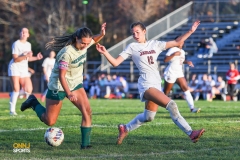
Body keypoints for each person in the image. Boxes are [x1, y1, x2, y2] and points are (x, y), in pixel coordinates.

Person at [96, 20, 205, 145]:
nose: (135, 35)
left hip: (156, 83)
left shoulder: (155, 44)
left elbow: (177, 42)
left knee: (149, 117)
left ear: (144, 31)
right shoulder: (132, 47)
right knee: (172, 105)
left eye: (137, 32)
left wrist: (190, 31)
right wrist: (105, 52)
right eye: (133, 33)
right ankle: (191, 133)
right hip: (146, 84)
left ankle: (125, 128)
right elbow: (115, 63)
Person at [20, 23, 106, 149]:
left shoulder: (85, 44)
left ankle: (85, 145)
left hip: (75, 83)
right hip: (58, 86)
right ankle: (33, 102)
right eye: (83, 43)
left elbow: (93, 40)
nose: (85, 46)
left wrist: (102, 35)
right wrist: (69, 93)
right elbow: (62, 76)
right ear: (77, 39)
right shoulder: (66, 53)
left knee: (87, 111)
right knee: (50, 121)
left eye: (87, 44)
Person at [8, 27, 43, 116]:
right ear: (20, 34)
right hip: (14, 67)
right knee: (16, 88)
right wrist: (25, 55)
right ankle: (12, 110)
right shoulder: (16, 44)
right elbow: (15, 59)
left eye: (25, 32)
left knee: (29, 89)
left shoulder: (28, 44)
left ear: (28, 35)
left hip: (23, 69)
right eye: (22, 32)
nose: (24, 33)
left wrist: (36, 58)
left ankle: (23, 102)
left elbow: (28, 58)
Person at [163, 40, 201, 113]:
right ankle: (153, 103)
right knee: (166, 93)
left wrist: (187, 62)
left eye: (182, 40)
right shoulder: (172, 49)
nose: (181, 41)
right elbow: (165, 60)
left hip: (179, 73)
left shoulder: (182, 51)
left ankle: (192, 108)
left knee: (186, 89)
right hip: (171, 73)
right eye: (179, 40)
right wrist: (173, 54)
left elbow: (181, 60)